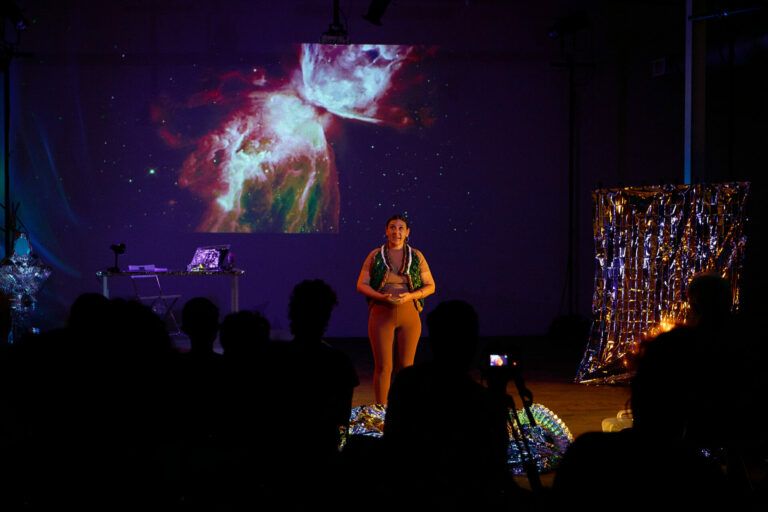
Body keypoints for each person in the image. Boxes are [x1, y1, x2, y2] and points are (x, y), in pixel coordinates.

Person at [356, 214, 436, 404]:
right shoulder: (375, 255)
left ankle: (405, 410)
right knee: (384, 367)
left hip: (409, 314)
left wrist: (410, 296)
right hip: (382, 313)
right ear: (386, 231)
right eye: (392, 227)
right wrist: (380, 296)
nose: (396, 232)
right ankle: (382, 412)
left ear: (407, 232)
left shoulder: (416, 256)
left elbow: (430, 286)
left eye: (401, 228)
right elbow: (361, 284)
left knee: (407, 367)